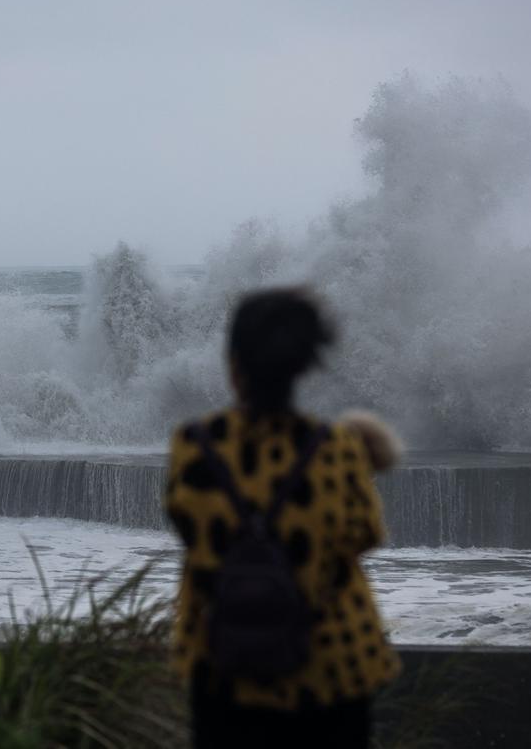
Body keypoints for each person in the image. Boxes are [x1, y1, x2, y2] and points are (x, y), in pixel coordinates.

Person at [165, 286, 401, 748]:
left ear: (234, 367)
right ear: (302, 370)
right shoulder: (336, 448)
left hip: (224, 667)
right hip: (332, 665)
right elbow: (365, 534)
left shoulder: (195, 445)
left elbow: (187, 526)